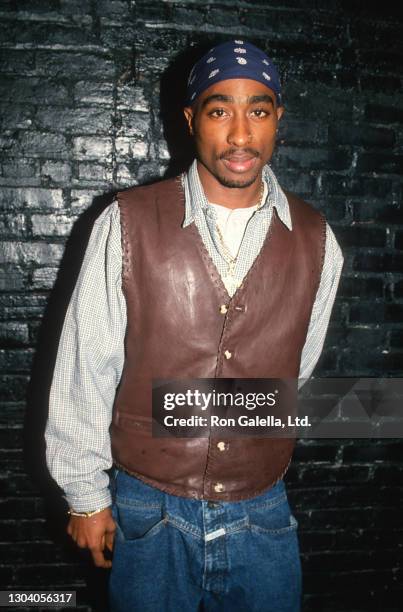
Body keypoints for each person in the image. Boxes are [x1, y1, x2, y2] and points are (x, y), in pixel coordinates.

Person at [45, 40, 344, 611]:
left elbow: (296, 372)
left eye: (257, 110)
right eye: (218, 110)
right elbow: (87, 364)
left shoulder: (317, 239)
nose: (239, 134)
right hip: (148, 507)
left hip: (262, 510)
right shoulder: (127, 223)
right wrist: (85, 497)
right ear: (190, 119)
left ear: (278, 118)